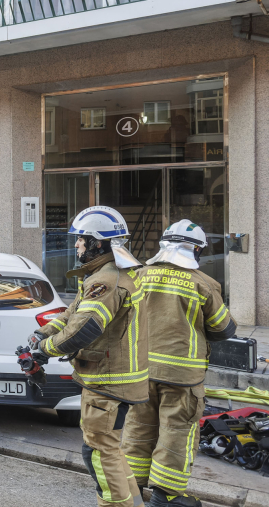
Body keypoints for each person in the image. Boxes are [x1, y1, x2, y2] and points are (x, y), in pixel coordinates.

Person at [28, 206, 147, 507]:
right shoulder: (111, 273)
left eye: (81, 239)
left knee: (98, 452)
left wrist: (44, 350)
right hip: (119, 378)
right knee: (111, 450)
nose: (76, 245)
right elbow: (73, 314)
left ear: (98, 243)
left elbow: (84, 330)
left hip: (107, 381)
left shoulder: (105, 280)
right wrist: (42, 334)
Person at [122, 221, 237, 507]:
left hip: (140, 371)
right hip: (182, 376)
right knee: (177, 431)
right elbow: (224, 328)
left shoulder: (137, 276)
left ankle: (130, 490)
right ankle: (166, 496)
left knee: (138, 426)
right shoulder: (204, 283)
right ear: (195, 250)